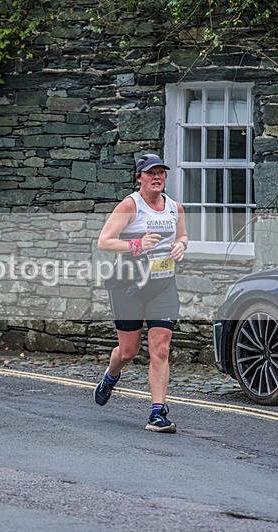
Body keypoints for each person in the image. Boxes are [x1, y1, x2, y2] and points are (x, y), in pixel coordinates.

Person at [94, 154, 188, 433]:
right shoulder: (130, 205)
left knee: (161, 348)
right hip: (129, 285)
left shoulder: (175, 208)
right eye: (150, 173)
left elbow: (182, 236)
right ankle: (111, 375)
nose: (157, 177)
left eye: (161, 172)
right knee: (128, 351)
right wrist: (137, 244)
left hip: (162, 283)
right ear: (139, 178)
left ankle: (157, 413)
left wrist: (182, 246)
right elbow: (104, 242)